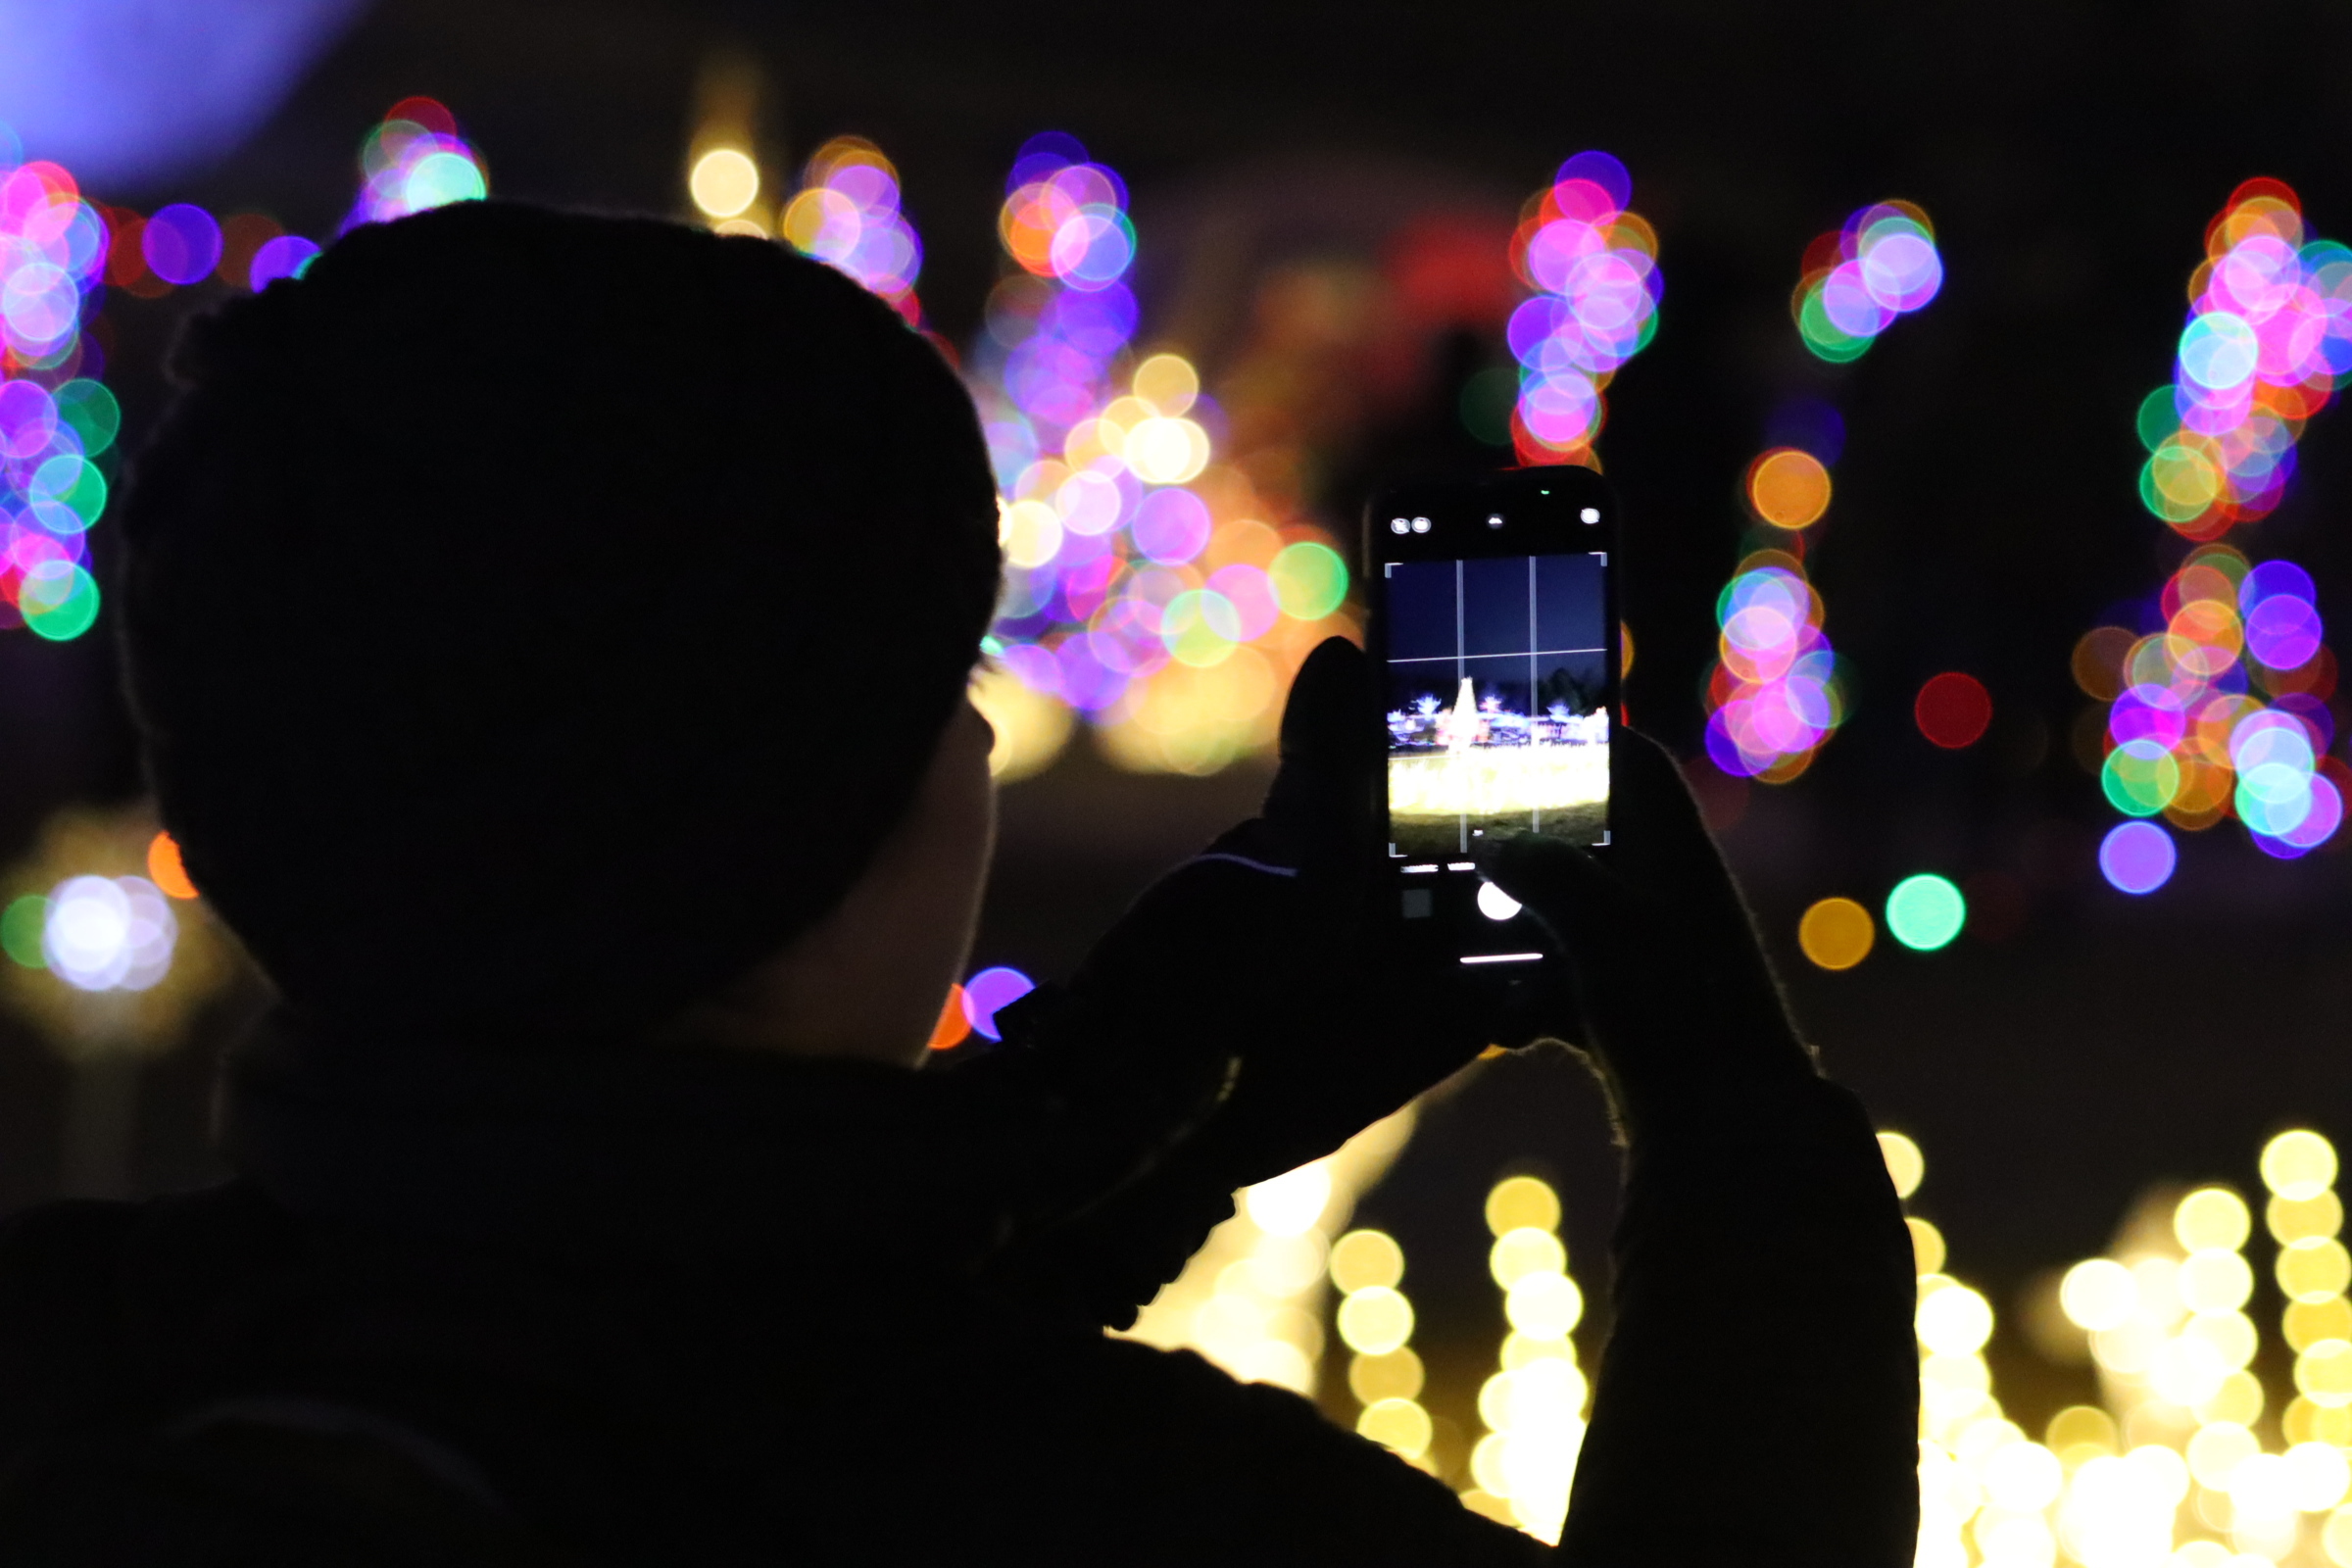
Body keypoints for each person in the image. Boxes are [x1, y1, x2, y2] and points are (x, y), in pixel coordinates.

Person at [0, 201, 1919, 1564]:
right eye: (940, 688)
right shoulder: (1135, 1508)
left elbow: (632, 1310)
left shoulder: (90, 1354)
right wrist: (1727, 1108)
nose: (985, 750)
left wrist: (1090, 1128)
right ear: (799, 806)